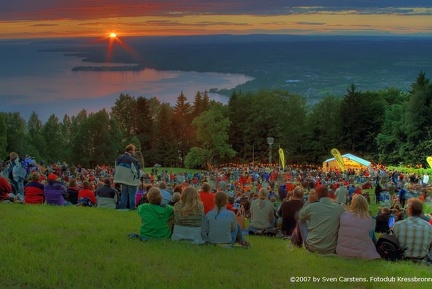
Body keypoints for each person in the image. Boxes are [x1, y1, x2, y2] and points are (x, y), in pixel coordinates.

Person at [298, 185, 345, 254]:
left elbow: (300, 216)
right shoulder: (339, 208)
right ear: (328, 194)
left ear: (316, 195)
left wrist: (308, 201)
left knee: (301, 221)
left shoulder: (311, 207)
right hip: (331, 248)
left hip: (312, 247)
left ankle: (296, 242)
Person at [336, 195, 381, 260]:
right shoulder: (369, 219)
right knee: (369, 233)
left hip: (341, 251)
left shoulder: (344, 215)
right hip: (360, 253)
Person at [114, 144, 140, 210]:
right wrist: (138, 177)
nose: (134, 152)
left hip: (122, 179)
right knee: (132, 195)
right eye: (134, 150)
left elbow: (116, 168)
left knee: (124, 194)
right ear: (130, 150)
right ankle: (132, 208)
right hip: (131, 180)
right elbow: (136, 171)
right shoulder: (132, 160)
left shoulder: (118, 158)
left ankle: (123, 208)